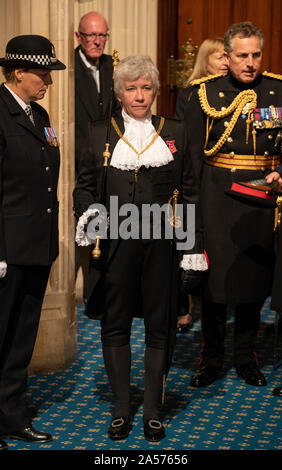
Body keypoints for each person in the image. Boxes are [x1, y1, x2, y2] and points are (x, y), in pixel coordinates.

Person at [73, 55, 207, 441]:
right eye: (131, 88)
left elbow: (191, 194)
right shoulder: (100, 132)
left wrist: (192, 245)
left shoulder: (175, 131)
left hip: (162, 245)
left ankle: (151, 410)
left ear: (155, 91)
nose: (140, 96)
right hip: (115, 244)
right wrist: (90, 215)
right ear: (119, 93)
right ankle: (120, 410)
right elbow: (83, 187)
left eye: (146, 88)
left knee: (159, 326)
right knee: (115, 324)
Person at [183, 21, 282, 388]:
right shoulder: (201, 94)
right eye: (242, 56)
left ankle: (247, 356)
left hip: (262, 197)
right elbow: (192, 157)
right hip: (215, 195)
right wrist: (189, 208)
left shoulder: (277, 90)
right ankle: (211, 359)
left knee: (253, 282)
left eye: (256, 54)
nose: (250, 63)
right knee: (214, 283)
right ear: (227, 56)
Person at [0, 35, 65, 451]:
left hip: (36, 246)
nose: (48, 81)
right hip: (7, 249)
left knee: (21, 337)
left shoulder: (39, 115)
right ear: (18, 72)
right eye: (42, 73)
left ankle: (11, 414)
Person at [175, 38, 228, 333]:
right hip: (194, 178)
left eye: (226, 57)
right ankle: (184, 305)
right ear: (205, 61)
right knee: (188, 240)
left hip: (219, 179)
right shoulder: (191, 94)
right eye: (219, 57)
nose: (224, 62)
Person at [75, 11, 119, 303]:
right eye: (91, 35)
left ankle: (104, 291)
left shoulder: (112, 66)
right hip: (77, 157)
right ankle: (86, 291)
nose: (97, 41)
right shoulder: (68, 69)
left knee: (110, 224)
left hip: (109, 158)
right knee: (83, 223)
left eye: (102, 35)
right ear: (79, 37)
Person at [175, 38, 229, 121]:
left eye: (228, 57)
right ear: (205, 61)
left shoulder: (236, 88)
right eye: (220, 58)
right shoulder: (192, 92)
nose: (226, 63)